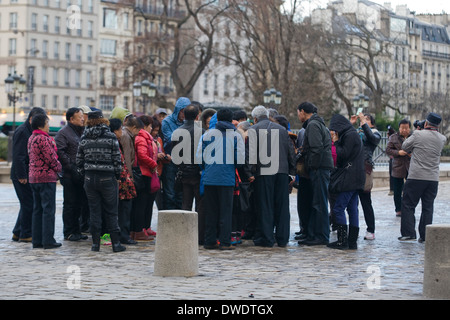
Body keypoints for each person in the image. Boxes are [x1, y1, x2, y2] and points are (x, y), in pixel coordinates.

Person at [76, 110, 125, 252]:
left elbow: (79, 160)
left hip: (90, 178)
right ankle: (116, 244)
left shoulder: (84, 137)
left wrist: (84, 174)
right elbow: (117, 159)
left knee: (94, 211)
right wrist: (117, 175)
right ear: (102, 119)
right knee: (111, 211)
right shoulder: (110, 136)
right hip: (107, 177)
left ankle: (95, 244)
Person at [248, 106, 296, 247]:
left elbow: (251, 154)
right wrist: (291, 172)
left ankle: (267, 238)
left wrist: (250, 173)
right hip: (281, 172)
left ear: (255, 118)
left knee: (265, 205)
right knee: (282, 206)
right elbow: (290, 152)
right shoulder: (281, 130)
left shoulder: (254, 130)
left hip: (263, 172)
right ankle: (282, 238)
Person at [198, 108, 245, 250]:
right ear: (231, 120)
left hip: (210, 177)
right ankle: (225, 241)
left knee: (211, 210)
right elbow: (240, 158)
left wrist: (207, 167)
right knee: (226, 211)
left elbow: (199, 156)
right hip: (227, 178)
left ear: (217, 120)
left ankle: (210, 240)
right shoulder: (236, 136)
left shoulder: (207, 134)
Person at [398, 112, 446, 242]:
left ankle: (409, 233)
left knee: (408, 204)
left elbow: (405, 146)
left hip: (416, 177)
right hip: (432, 178)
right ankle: (425, 236)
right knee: (428, 207)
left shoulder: (418, 134)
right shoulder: (442, 138)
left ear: (426, 123)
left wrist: (416, 131)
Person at [297, 102, 334, 246]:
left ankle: (321, 236)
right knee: (318, 202)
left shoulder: (313, 125)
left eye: (298, 112)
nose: (298, 115)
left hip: (319, 168)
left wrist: (312, 166)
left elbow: (316, 148)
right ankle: (315, 235)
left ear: (303, 111)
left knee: (319, 203)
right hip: (321, 167)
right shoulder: (318, 124)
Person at [327, 114, 365, 250]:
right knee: (352, 209)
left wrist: (336, 141)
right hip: (356, 178)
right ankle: (352, 241)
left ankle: (342, 241)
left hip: (349, 178)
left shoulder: (349, 135)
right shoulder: (352, 133)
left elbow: (343, 154)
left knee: (338, 208)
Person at [11, 107, 47, 243]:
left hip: (26, 173)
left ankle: (17, 232)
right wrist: (22, 176)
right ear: (31, 119)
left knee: (27, 203)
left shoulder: (29, 130)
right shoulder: (22, 131)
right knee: (28, 204)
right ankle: (25, 234)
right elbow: (19, 156)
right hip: (21, 175)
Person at [28, 113, 62, 249]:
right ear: (41, 125)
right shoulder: (43, 139)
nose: (49, 125)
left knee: (37, 210)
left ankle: (37, 240)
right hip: (46, 178)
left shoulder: (32, 138)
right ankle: (48, 240)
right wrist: (59, 168)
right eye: (47, 123)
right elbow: (51, 158)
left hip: (34, 178)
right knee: (48, 210)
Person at [172, 104, 205, 243]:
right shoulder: (202, 131)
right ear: (198, 115)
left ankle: (184, 235)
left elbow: (175, 155)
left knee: (185, 204)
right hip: (198, 172)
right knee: (200, 205)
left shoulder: (178, 131)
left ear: (183, 115)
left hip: (184, 172)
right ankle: (199, 235)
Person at [55, 107, 88, 242]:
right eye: (79, 117)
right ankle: (69, 231)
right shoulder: (63, 133)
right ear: (71, 119)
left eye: (82, 116)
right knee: (70, 204)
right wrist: (71, 167)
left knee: (79, 203)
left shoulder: (83, 132)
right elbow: (60, 152)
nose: (82, 119)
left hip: (81, 174)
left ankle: (77, 230)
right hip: (69, 175)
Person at [350, 112, 381, 241]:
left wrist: (363, 123)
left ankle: (370, 230)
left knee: (365, 201)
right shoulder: (356, 131)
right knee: (350, 201)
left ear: (372, 123)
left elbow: (371, 138)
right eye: (363, 118)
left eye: (367, 119)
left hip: (365, 169)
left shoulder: (375, 133)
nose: (364, 120)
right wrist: (350, 124)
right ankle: (352, 229)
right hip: (352, 168)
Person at [109, 118, 138, 245]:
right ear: (115, 131)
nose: (122, 131)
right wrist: (128, 178)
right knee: (124, 210)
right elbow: (122, 162)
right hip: (122, 181)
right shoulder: (115, 142)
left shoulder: (115, 141)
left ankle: (119, 236)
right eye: (120, 129)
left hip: (119, 180)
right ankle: (123, 236)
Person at [161, 97, 191, 209]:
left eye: (186, 112)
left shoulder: (190, 123)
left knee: (182, 194)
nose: (184, 114)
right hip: (170, 160)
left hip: (184, 162)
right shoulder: (167, 122)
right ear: (178, 110)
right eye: (182, 111)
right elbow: (170, 139)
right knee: (170, 193)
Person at [132, 115, 159, 240]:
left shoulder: (144, 138)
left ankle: (139, 229)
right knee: (141, 204)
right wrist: (153, 164)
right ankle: (138, 230)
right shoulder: (142, 138)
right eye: (150, 126)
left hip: (145, 173)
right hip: (143, 173)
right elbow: (142, 155)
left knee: (143, 203)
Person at [385, 119, 411, 217]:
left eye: (406, 128)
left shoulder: (413, 137)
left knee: (410, 190)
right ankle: (398, 209)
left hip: (410, 167)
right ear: (399, 128)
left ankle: (408, 207)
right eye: (402, 128)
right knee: (397, 190)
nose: (404, 130)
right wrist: (398, 153)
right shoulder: (393, 137)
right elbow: (388, 150)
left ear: (409, 128)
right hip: (398, 167)